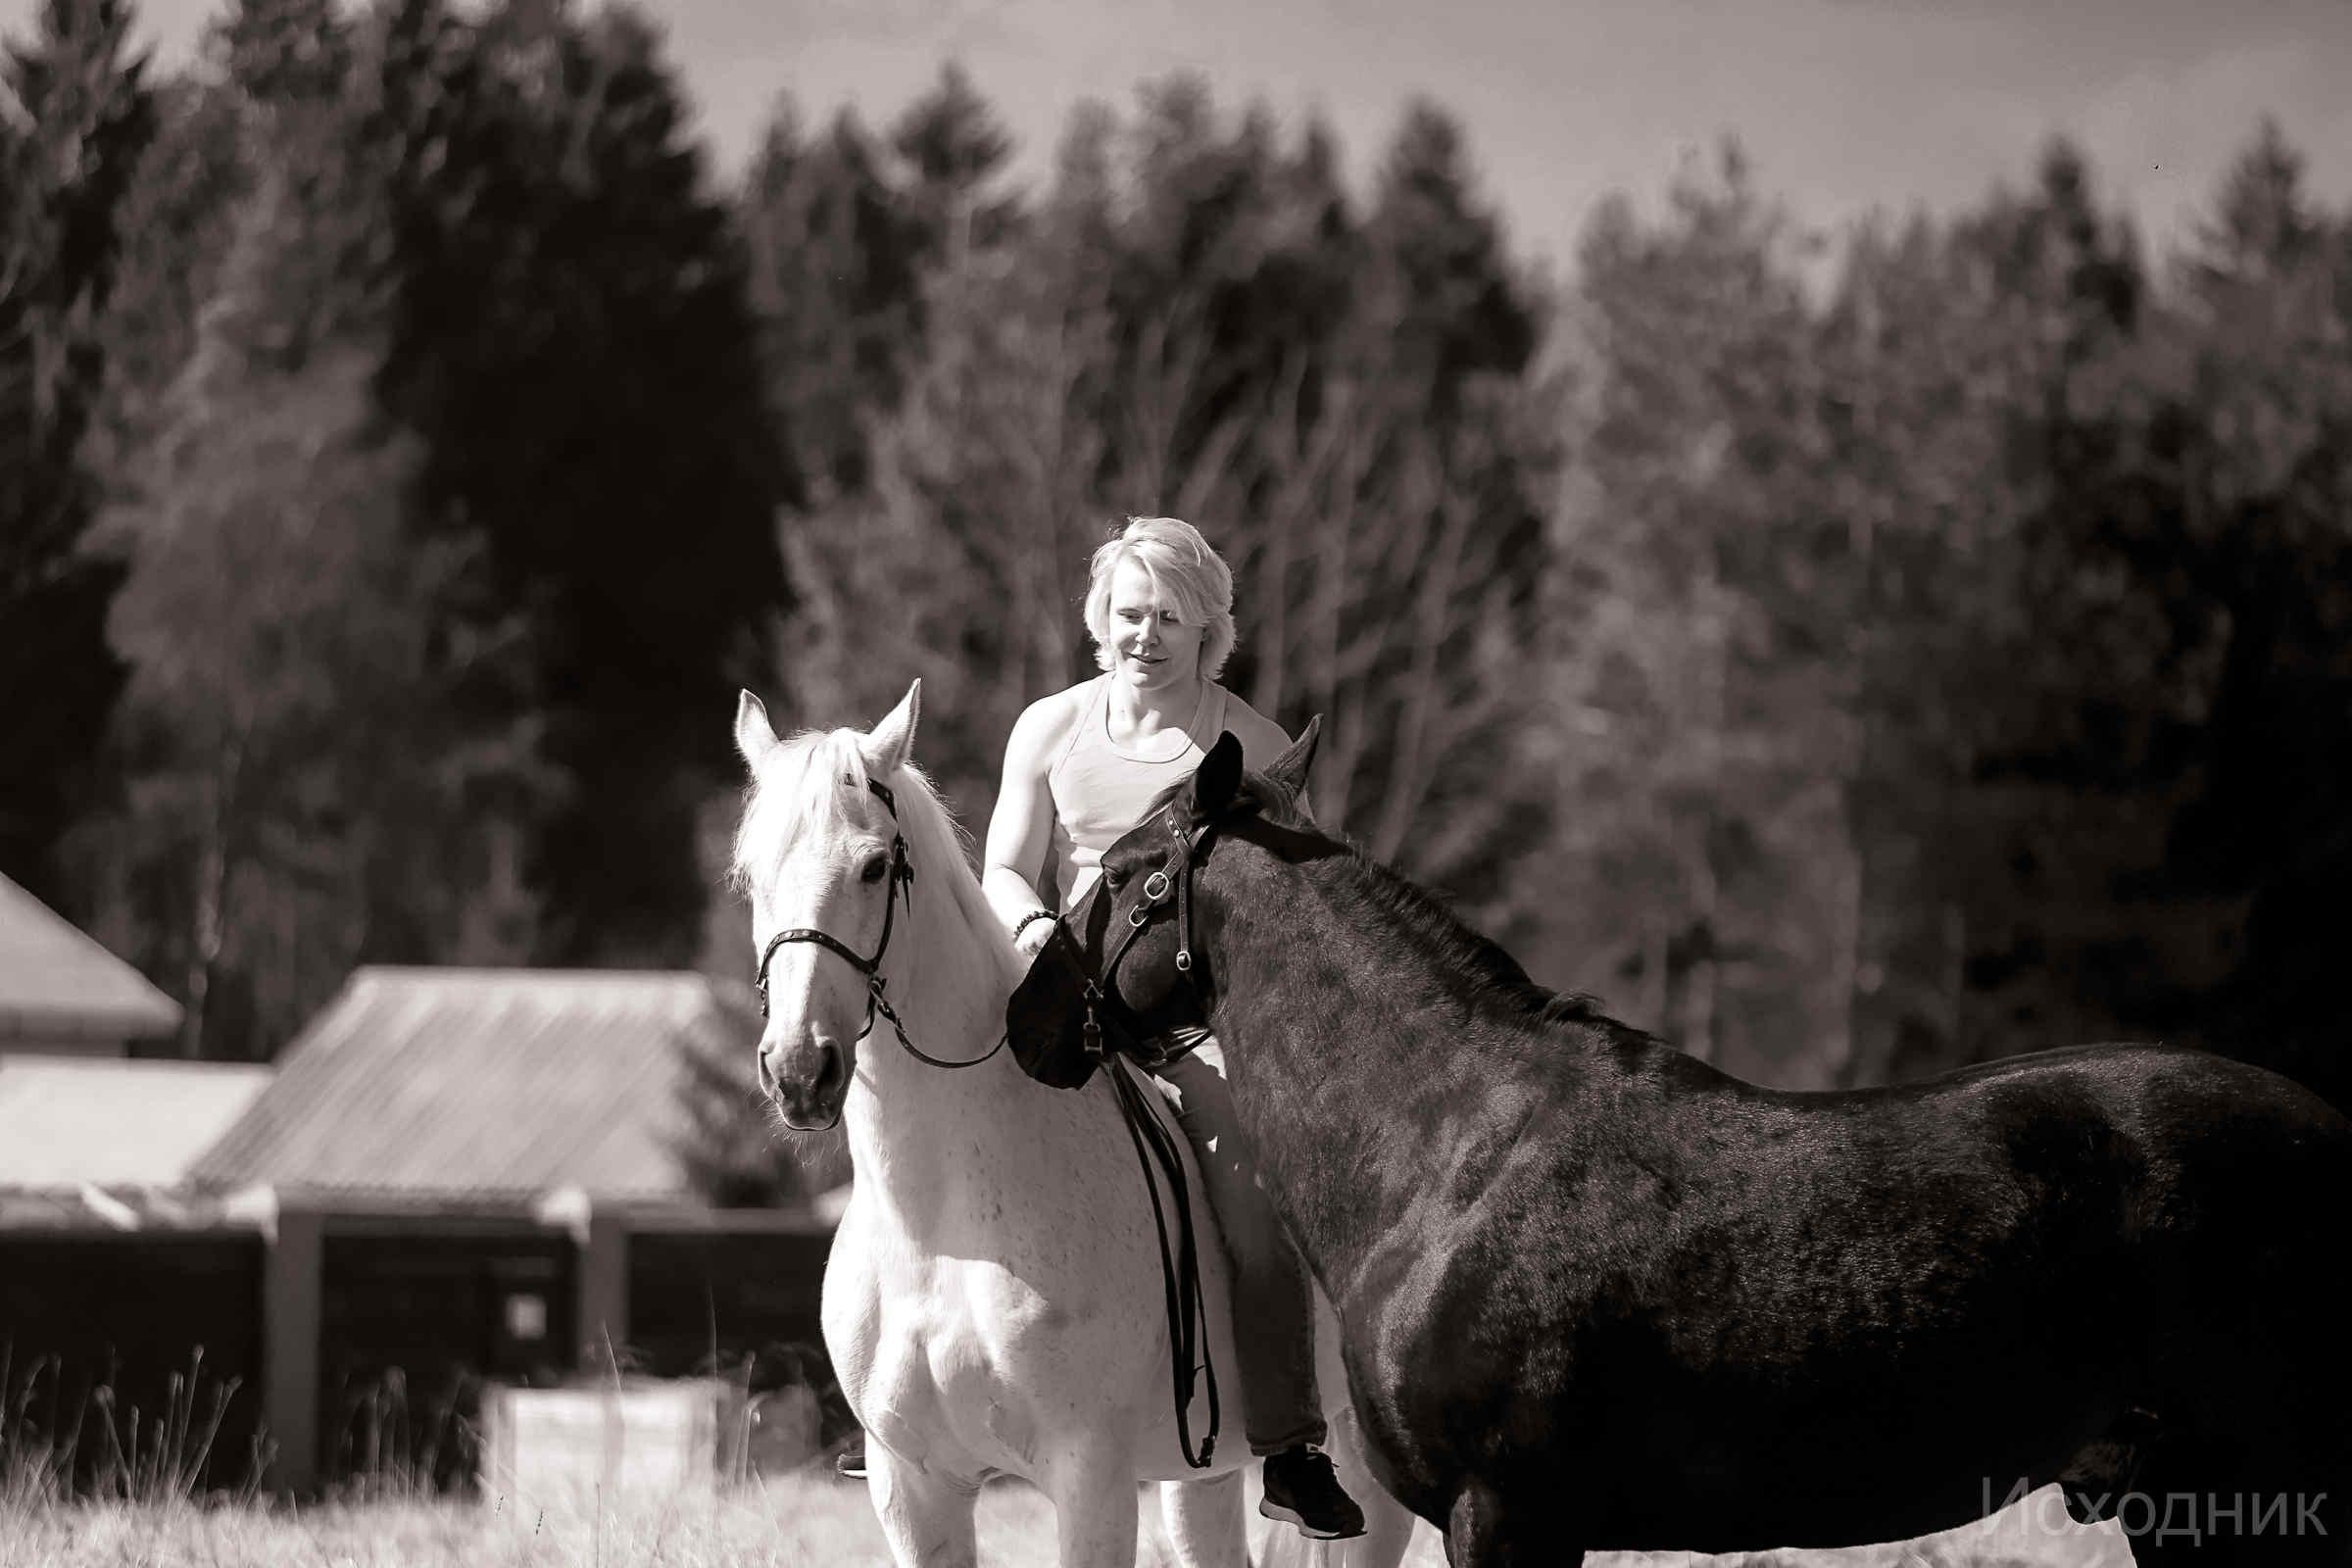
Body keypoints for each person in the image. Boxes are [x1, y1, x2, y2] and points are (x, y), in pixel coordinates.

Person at [980, 515, 1367, 1542]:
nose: (1142, 633)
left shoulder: (1256, 748)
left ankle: (1289, 1443)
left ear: (1208, 630)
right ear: (1098, 620)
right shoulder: (1048, 729)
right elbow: (1007, 863)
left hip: (1196, 1023)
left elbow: (1290, 916)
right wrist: (1033, 932)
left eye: (1167, 616)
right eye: (1126, 612)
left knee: (1248, 1194)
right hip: (1065, 993)